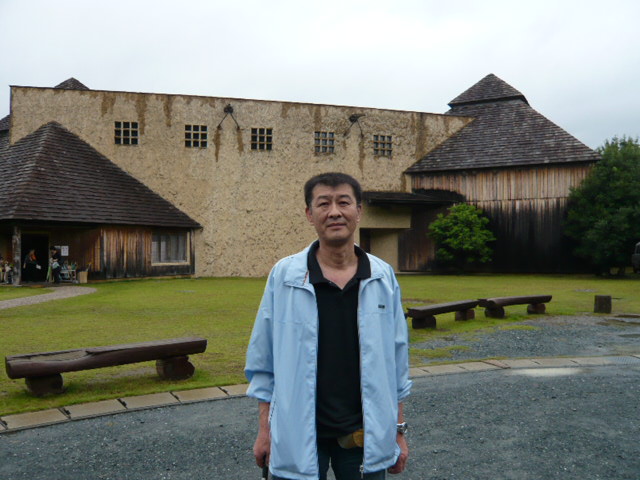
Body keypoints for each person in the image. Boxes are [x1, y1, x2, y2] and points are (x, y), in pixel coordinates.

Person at [245, 172, 411, 480]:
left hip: (364, 434)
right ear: (310, 214)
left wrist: (398, 430)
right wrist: (265, 431)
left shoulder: (381, 276)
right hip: (297, 433)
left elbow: (397, 361)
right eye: (323, 204)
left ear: (358, 211)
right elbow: (263, 359)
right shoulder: (285, 276)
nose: (334, 211)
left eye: (344, 202)